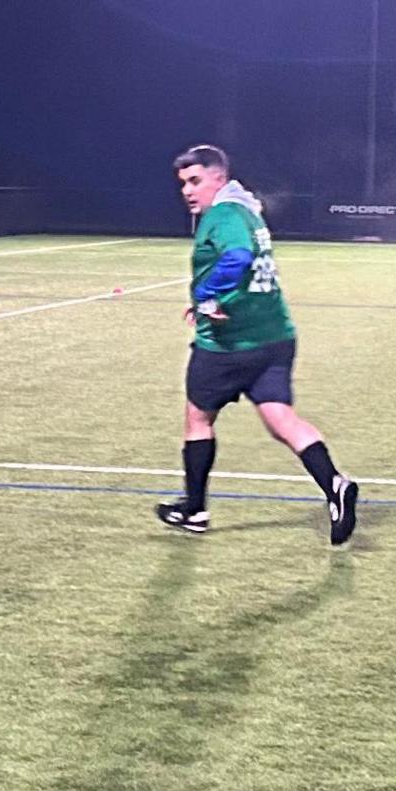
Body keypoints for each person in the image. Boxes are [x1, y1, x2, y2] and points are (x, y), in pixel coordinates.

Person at [154, 144, 358, 544]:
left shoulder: (224, 215)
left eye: (195, 181)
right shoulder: (248, 210)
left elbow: (238, 257)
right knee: (282, 419)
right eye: (183, 184)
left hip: (228, 346)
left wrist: (206, 296)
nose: (188, 191)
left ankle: (194, 510)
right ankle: (335, 484)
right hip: (276, 338)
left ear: (218, 177)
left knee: (198, 418)